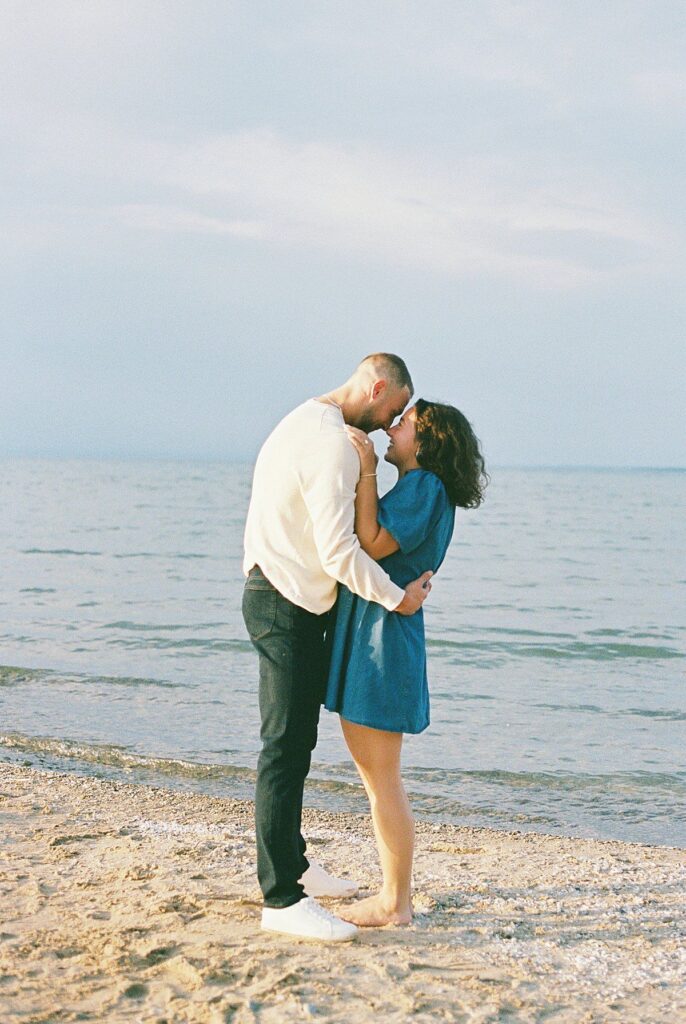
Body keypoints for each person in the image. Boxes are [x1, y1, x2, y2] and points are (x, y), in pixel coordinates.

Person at [241, 354, 434, 942]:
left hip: (284, 595)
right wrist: (397, 598)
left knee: (296, 741)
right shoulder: (331, 445)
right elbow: (339, 553)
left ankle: (294, 864)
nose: (392, 420)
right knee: (285, 749)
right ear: (376, 387)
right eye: (394, 408)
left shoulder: (304, 420)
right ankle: (280, 898)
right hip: (286, 603)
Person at [324, 399, 488, 927]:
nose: (392, 428)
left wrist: (367, 468)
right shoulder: (421, 489)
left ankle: (395, 903)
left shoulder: (425, 488)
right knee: (378, 778)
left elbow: (371, 541)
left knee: (383, 780)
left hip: (383, 636)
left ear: (427, 440)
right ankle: (393, 896)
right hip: (379, 628)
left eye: (404, 424)